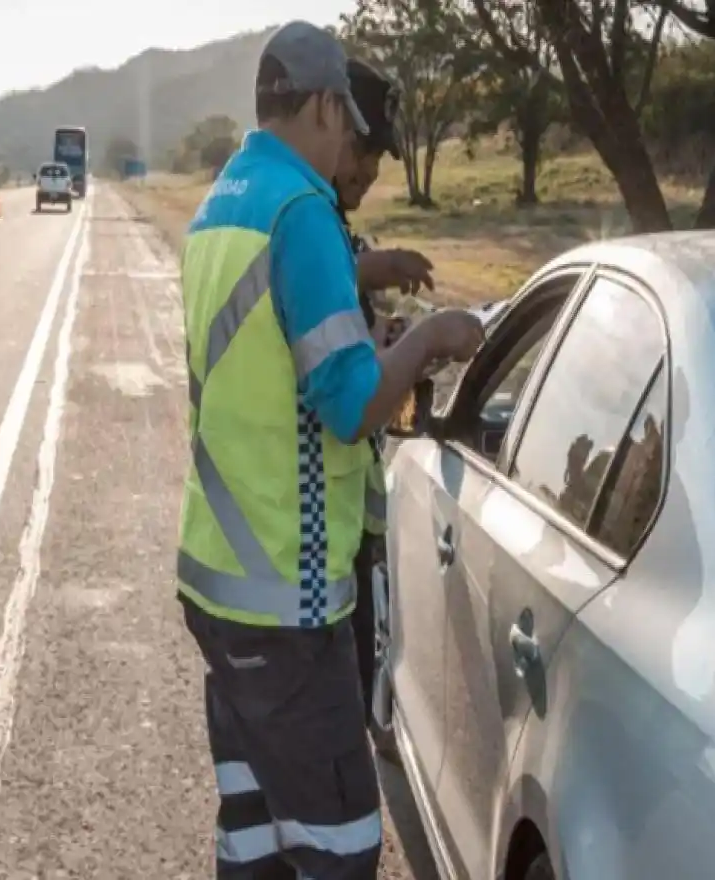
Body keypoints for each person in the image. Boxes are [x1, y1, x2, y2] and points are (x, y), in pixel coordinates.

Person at [177, 20, 485, 880]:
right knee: (341, 845)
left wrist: (365, 299)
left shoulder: (221, 204)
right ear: (318, 106)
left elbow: (267, 366)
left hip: (218, 580)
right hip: (289, 600)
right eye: (347, 123)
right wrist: (429, 344)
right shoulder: (303, 210)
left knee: (254, 835)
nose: (351, 142)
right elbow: (351, 408)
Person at [331, 59, 436, 749]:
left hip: (338, 542)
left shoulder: (327, 226)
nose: (371, 172)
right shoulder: (310, 226)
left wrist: (378, 330)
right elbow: (351, 401)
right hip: (320, 554)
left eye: (379, 162)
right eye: (364, 153)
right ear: (330, 122)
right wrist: (424, 342)